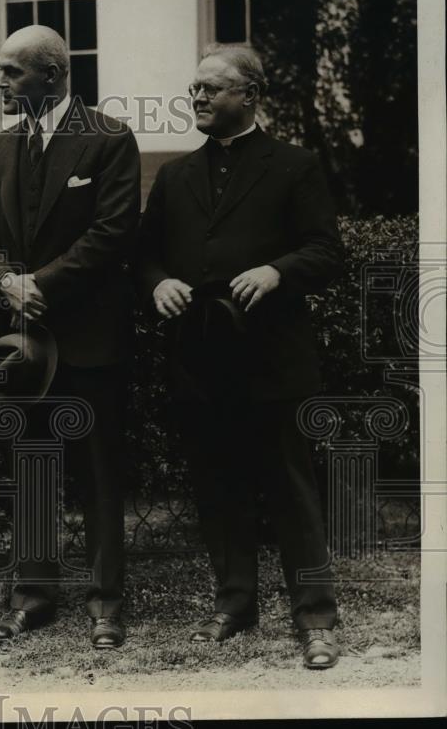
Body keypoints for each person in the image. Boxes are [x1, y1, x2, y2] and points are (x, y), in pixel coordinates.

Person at [136, 43, 343, 669]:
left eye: (212, 89)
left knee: (290, 490)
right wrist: (157, 282)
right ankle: (235, 604)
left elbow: (328, 252)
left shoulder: (295, 166)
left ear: (250, 96)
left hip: (272, 359)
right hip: (200, 358)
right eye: (194, 88)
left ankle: (316, 618)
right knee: (218, 485)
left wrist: (279, 272)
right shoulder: (174, 176)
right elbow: (143, 255)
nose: (197, 97)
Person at [0, 25, 141, 649]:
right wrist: (8, 283)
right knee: (32, 470)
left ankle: (105, 606)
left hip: (91, 339)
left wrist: (42, 282)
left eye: (12, 72)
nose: (2, 83)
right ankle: (32, 598)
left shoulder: (110, 139)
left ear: (53, 74)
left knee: (97, 474)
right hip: (25, 344)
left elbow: (115, 230)